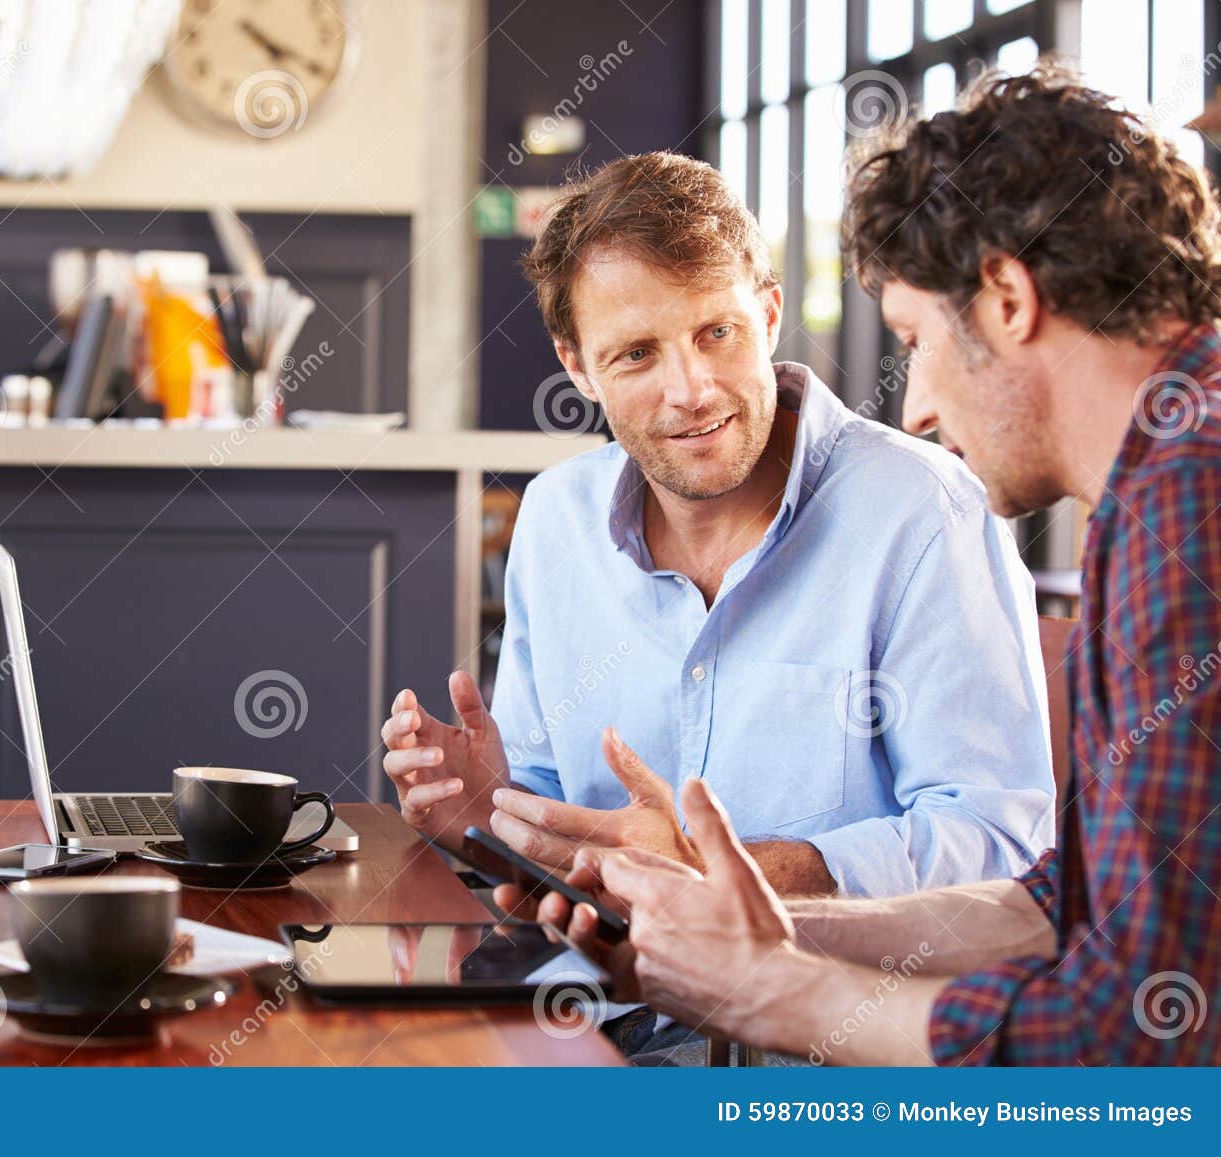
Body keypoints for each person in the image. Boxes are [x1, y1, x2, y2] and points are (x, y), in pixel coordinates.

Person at [514, 67, 1221, 1066]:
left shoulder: (1192, 504)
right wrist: (727, 930)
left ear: (1007, 299)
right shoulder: (1153, 488)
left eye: (911, 341)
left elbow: (1137, 1035)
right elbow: (1064, 904)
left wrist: (776, 992)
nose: (919, 404)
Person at [383, 151, 1054, 902]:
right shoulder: (554, 518)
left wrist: (718, 872)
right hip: (598, 996)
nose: (690, 391)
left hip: (824, 1003)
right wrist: (492, 813)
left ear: (768, 317)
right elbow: (555, 807)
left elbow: (1001, 840)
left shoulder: (925, 512)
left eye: (716, 333)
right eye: (636, 354)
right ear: (578, 367)